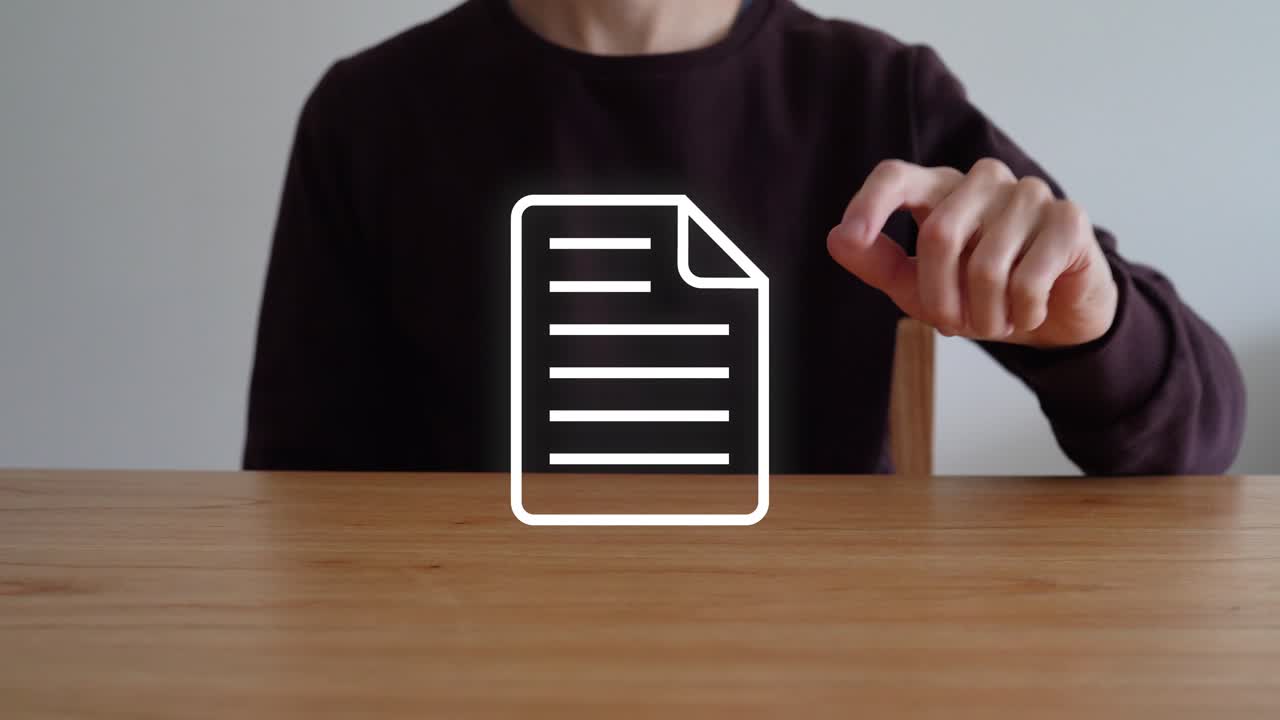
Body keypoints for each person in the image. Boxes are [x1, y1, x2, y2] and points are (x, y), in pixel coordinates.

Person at [244, 0, 1245, 475]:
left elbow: (1197, 437)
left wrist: (1089, 320)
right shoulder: (370, 115)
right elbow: (297, 499)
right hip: (469, 666)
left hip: (812, 671)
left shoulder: (873, 96)